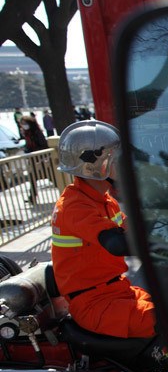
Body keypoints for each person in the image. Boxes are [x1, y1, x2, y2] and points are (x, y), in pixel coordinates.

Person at [51, 120, 157, 340]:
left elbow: (135, 229)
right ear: (97, 167)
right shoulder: (74, 206)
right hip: (95, 305)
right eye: (118, 160)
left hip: (118, 291)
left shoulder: (106, 200)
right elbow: (117, 243)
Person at [19, 113, 49, 205]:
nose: (23, 125)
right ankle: (32, 197)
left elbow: (43, 145)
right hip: (33, 160)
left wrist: (33, 151)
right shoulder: (27, 133)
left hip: (41, 159)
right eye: (22, 123)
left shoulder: (36, 133)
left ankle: (63, 190)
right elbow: (28, 146)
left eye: (24, 123)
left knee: (52, 177)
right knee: (32, 179)